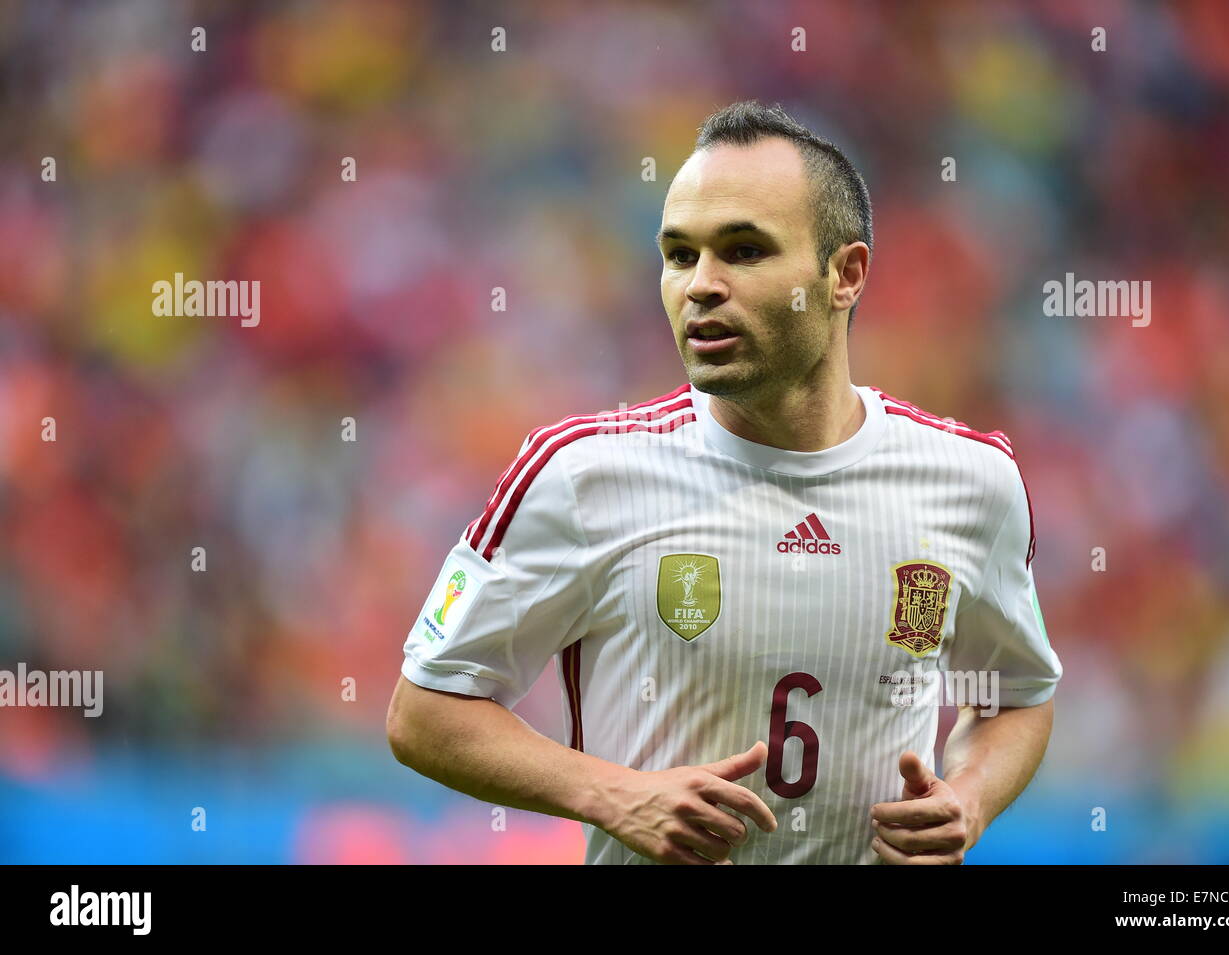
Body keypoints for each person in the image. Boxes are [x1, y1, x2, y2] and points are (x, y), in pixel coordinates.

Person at [387, 100, 1062, 865]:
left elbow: (1016, 694)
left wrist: (968, 799)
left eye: (743, 251)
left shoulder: (972, 481)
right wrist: (613, 793)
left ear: (844, 275)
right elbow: (426, 710)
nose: (700, 285)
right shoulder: (581, 473)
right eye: (679, 254)